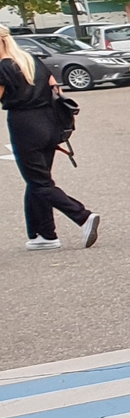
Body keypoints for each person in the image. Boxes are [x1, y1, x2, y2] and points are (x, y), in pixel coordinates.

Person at [1, 24, 102, 251]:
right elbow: (56, 89)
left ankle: (83, 216)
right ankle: (44, 235)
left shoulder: (3, 67)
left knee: (39, 182)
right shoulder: (30, 60)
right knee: (37, 180)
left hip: (24, 126)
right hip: (48, 123)